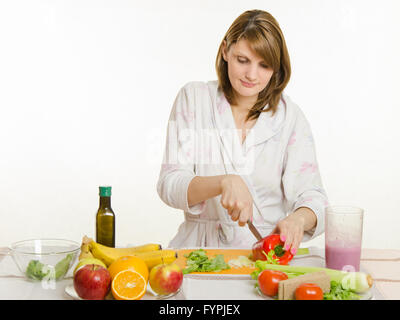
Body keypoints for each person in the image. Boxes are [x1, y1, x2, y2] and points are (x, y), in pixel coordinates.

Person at [157, 9, 329, 254]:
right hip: (198, 254)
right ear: (225, 50)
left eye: (264, 65)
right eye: (242, 60)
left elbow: (315, 197)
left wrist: (298, 220)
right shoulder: (194, 98)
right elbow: (169, 183)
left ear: (276, 69)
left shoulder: (290, 117)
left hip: (265, 255)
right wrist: (223, 182)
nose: (251, 75)